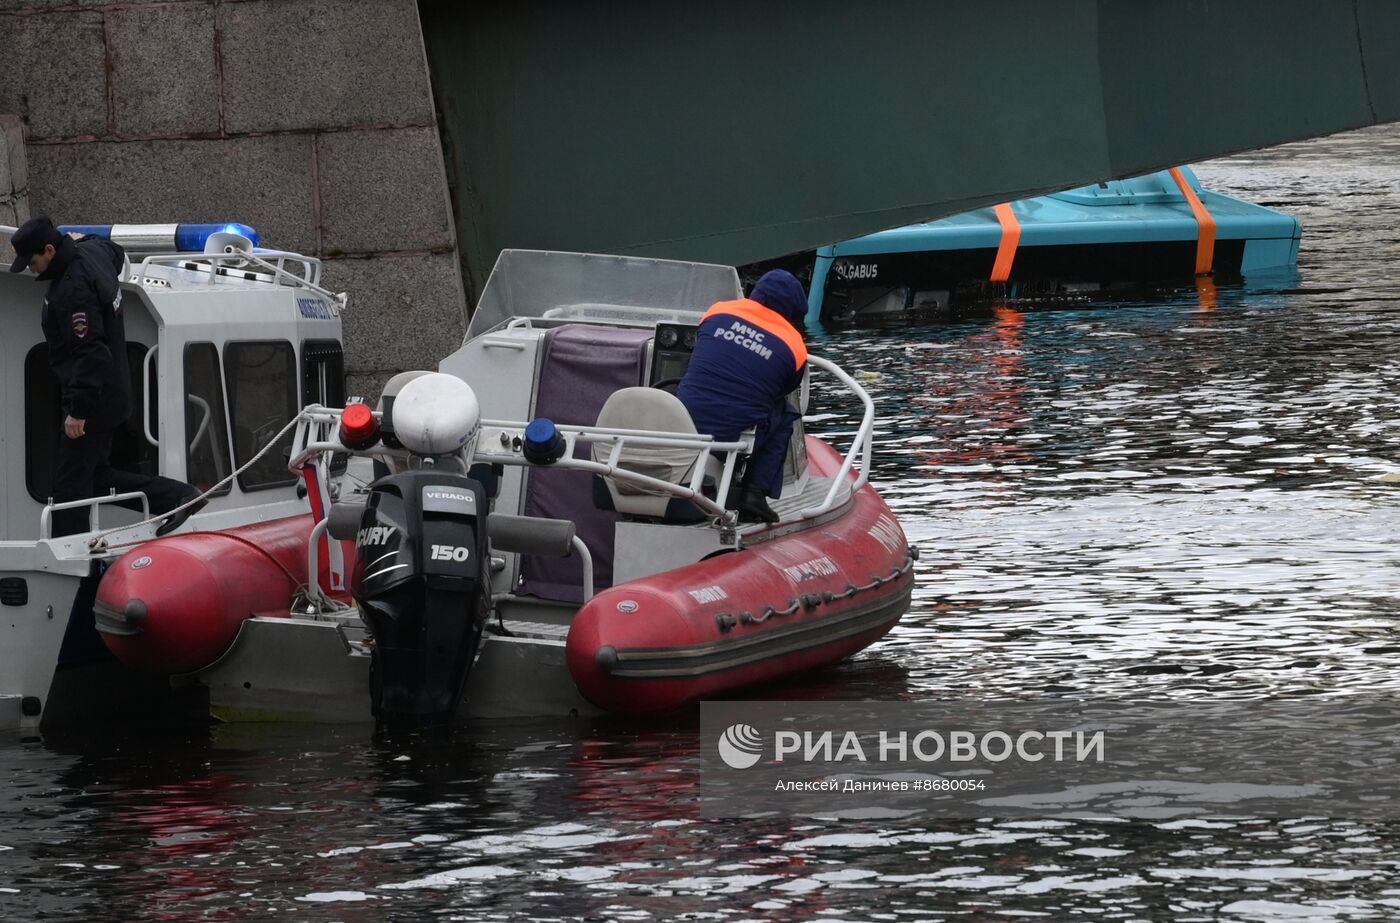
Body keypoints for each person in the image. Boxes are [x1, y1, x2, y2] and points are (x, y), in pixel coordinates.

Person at [9, 216, 202, 537]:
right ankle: (177, 497)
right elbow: (115, 251)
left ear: (50, 250)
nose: (32, 269)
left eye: (33, 261)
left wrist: (78, 411)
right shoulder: (93, 253)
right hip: (112, 390)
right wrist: (81, 240)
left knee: (69, 490)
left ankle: (66, 555)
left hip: (94, 400)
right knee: (95, 478)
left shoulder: (72, 290)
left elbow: (91, 354)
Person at [677, 269, 808, 524]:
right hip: (729, 437)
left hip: (682, 422)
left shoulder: (716, 311)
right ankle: (754, 493)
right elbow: (781, 391)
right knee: (785, 413)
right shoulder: (794, 346)